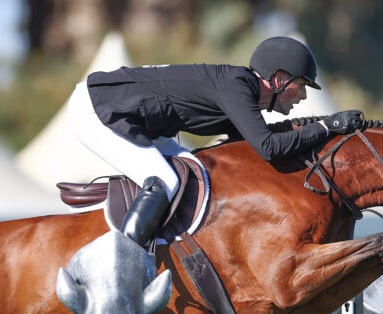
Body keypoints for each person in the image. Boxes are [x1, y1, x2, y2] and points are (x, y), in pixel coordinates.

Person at [68, 36, 364, 245]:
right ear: (278, 80)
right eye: (300, 86)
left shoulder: (241, 92)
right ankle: (126, 264)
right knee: (165, 181)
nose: (303, 96)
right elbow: (269, 148)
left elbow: (253, 146)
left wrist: (321, 130)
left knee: (192, 169)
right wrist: (327, 126)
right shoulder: (237, 87)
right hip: (98, 108)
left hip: (133, 116)